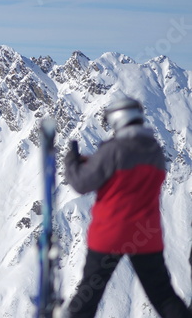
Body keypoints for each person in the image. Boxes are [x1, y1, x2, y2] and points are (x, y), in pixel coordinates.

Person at [64, 97, 191, 318]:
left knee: (88, 296)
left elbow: (81, 184)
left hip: (110, 234)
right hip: (145, 234)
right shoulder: (156, 152)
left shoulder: (112, 151)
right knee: (163, 295)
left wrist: (72, 162)